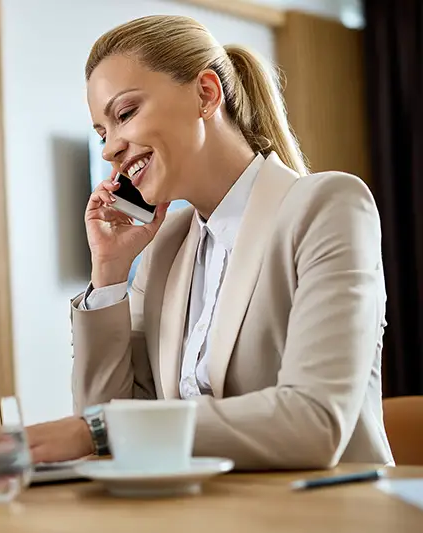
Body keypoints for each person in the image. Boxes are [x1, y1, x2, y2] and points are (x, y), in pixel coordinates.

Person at [26, 15, 394, 470]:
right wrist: (109, 272)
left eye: (124, 115)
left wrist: (101, 431)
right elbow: (106, 429)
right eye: (102, 134)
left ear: (206, 93)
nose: (108, 150)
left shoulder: (327, 207)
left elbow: (314, 421)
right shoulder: (164, 250)